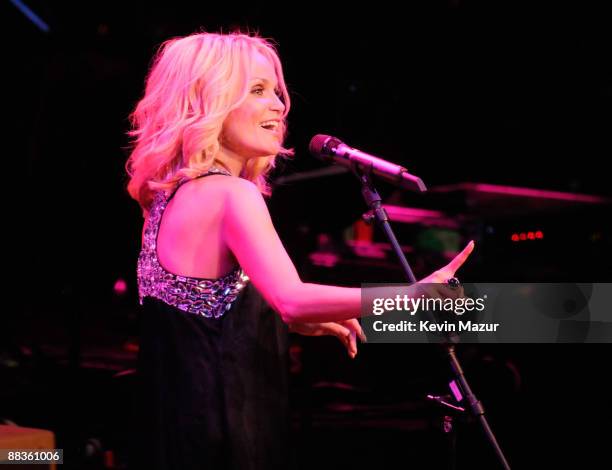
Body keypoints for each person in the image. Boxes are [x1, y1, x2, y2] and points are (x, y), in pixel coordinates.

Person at [126, 31, 474, 470]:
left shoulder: (169, 198)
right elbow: (292, 299)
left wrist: (288, 321)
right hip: (219, 428)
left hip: (169, 428)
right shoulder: (232, 194)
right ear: (207, 103)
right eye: (256, 90)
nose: (278, 104)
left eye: (276, 90)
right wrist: (411, 295)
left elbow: (196, 310)